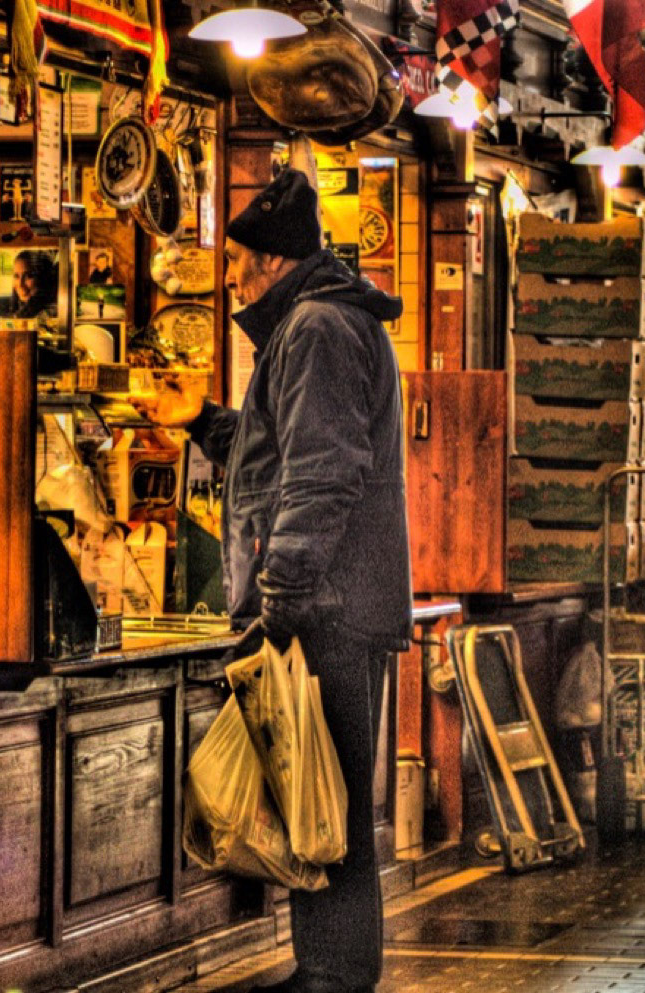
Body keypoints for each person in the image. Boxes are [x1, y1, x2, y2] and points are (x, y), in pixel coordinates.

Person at [135, 168, 409, 993]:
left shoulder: (317, 329)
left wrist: (282, 598)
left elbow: (321, 477)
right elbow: (274, 463)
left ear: (271, 262)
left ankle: (333, 969)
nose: (225, 277)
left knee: (325, 793)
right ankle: (327, 964)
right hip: (335, 599)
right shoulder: (311, 325)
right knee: (316, 787)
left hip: (327, 604)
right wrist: (201, 421)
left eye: (234, 259)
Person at [0, 248, 58, 319]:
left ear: (43, 278)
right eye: (16, 276)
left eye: (29, 276)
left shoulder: (48, 315)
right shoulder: (14, 308)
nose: (20, 284)